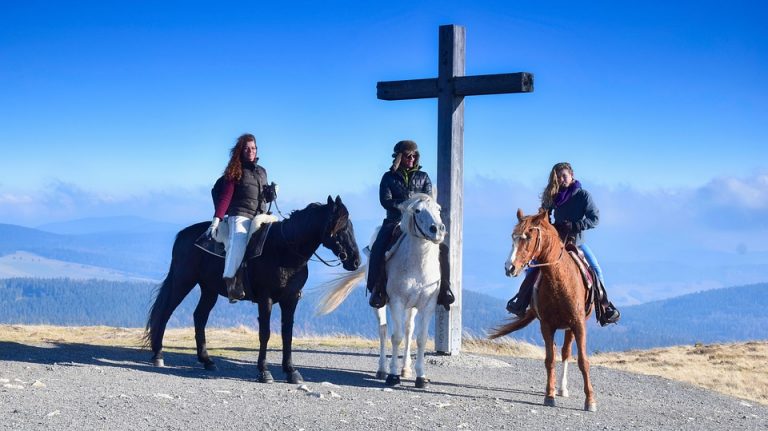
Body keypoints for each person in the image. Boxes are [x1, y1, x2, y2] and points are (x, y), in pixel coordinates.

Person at [506, 162, 620, 325]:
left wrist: (575, 225)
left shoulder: (583, 196)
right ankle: (521, 302)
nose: (561, 179)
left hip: (577, 242)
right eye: (558, 177)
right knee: (534, 269)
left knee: (595, 269)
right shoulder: (554, 195)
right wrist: (549, 225)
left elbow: (595, 218)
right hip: (556, 243)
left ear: (572, 175)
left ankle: (605, 308)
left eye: (564, 176)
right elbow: (544, 216)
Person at [367, 140, 455, 310]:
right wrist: (404, 205)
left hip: (418, 223)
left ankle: (445, 289)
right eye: (408, 156)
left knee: (443, 249)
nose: (412, 159)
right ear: (399, 157)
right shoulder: (388, 177)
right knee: (378, 247)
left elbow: (428, 201)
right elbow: (385, 201)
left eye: (415, 156)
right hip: (394, 221)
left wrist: (417, 209)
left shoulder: (424, 177)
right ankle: (376, 289)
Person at [205, 133, 277, 303]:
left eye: (253, 148)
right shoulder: (234, 171)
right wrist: (217, 219)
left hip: (260, 216)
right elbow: (225, 197)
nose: (251, 151)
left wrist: (270, 195)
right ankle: (231, 282)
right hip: (240, 216)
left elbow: (262, 198)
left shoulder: (262, 172)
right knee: (237, 242)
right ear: (241, 151)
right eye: (247, 148)